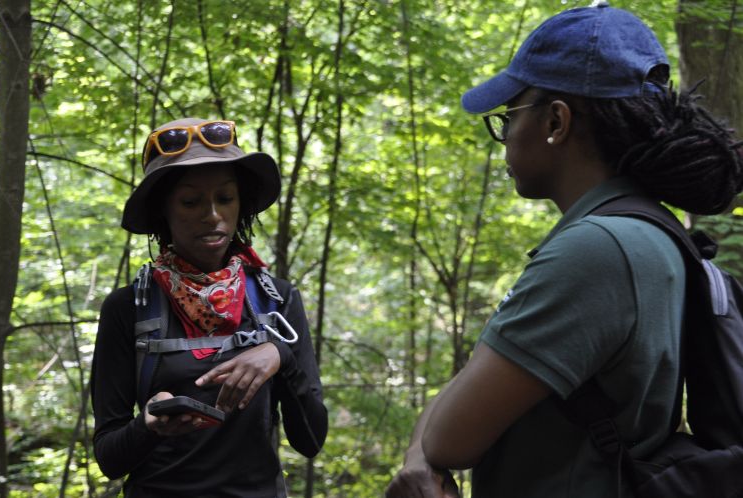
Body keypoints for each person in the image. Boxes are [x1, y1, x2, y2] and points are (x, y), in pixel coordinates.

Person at [386, 3, 743, 498]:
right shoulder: (649, 233)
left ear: (556, 121)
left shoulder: (596, 251)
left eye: (509, 116)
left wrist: (420, 453)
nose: (506, 135)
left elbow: (449, 439)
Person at [91, 118, 328, 497]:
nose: (213, 214)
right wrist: (148, 426)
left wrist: (280, 356)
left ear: (241, 204)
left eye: (226, 198)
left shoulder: (275, 301)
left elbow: (312, 440)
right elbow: (109, 458)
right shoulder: (129, 308)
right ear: (162, 211)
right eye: (190, 201)